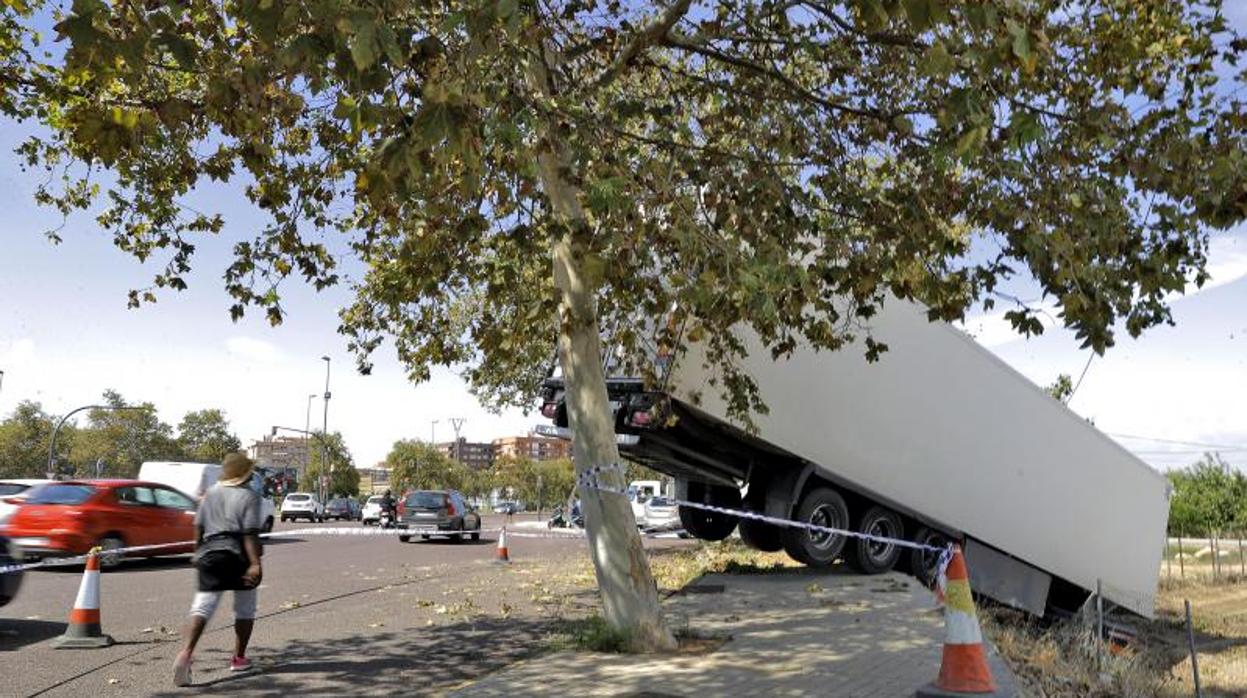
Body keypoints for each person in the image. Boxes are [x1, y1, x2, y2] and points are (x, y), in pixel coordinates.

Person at [173, 452, 264, 687]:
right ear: (245, 473)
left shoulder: (209, 494)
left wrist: (197, 551)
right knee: (245, 608)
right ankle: (239, 658)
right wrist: (255, 563)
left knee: (203, 606)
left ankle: (186, 654)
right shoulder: (250, 496)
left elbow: (198, 527)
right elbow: (249, 534)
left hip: (209, 554)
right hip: (238, 556)